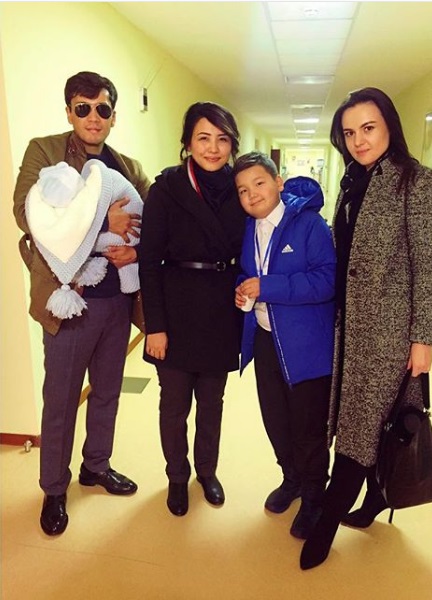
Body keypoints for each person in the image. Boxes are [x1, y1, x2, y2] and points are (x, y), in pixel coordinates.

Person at [300, 87, 432, 569]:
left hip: (390, 332)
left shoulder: (418, 182)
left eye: (368, 128)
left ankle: (324, 525)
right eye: (349, 133)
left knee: (360, 427)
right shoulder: (351, 182)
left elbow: (428, 267)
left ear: (389, 127)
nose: (358, 140)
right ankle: (376, 498)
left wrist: (423, 338)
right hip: (349, 325)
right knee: (362, 421)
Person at [13, 71, 151, 536]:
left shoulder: (127, 166)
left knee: (107, 391)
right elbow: (26, 213)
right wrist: (103, 221)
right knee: (62, 398)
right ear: (69, 111)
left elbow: (151, 219)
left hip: (117, 302)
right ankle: (54, 487)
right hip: (69, 300)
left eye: (102, 109)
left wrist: (136, 250)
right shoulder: (45, 151)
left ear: (113, 116)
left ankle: (96, 465)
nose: (94, 117)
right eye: (83, 108)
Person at [139, 102, 246, 516]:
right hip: (177, 310)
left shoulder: (239, 188)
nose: (213, 148)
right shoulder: (166, 188)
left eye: (222, 139)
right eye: (203, 138)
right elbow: (149, 262)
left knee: (212, 403)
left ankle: (207, 471)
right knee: (174, 405)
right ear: (187, 143)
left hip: (222, 310)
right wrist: (155, 327)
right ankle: (177, 476)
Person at [233, 152, 336, 539]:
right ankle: (291, 479)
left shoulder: (309, 225)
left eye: (259, 183)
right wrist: (243, 291)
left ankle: (314, 497)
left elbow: (326, 281)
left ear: (278, 182)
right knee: (275, 421)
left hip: (306, 344)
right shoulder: (249, 227)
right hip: (265, 340)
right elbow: (248, 273)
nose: (252, 195)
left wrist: (268, 287)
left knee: (307, 429)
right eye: (243, 190)